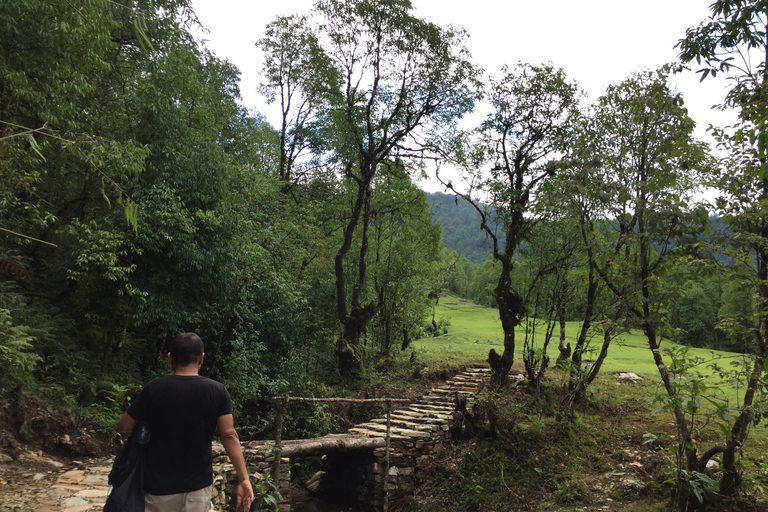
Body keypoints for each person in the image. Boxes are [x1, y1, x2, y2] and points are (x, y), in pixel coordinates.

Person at [117, 332, 254, 512]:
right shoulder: (217, 391)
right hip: (196, 489)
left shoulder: (153, 389)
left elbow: (123, 426)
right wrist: (244, 479)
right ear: (201, 359)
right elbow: (229, 436)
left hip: (157, 487)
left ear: (170, 358)